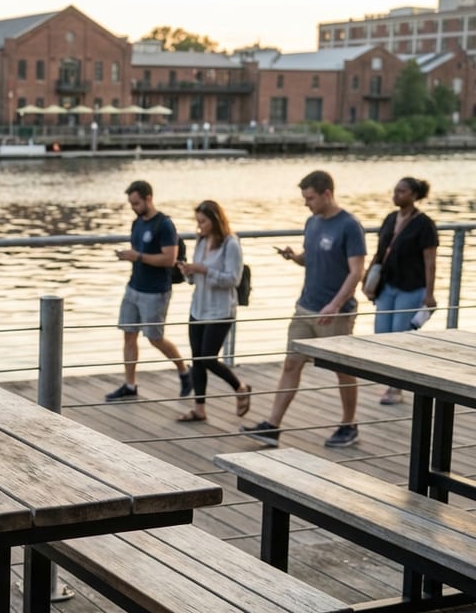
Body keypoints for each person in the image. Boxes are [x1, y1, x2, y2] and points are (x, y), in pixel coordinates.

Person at [241, 170, 366, 448]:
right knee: (291, 363)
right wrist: (294, 257)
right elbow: (311, 258)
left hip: (336, 312)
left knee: (342, 369)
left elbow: (356, 271)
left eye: (309, 198)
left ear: (326, 194)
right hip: (305, 307)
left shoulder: (349, 226)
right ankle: (272, 426)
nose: (305, 203)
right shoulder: (311, 222)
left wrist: (335, 305)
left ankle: (349, 425)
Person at [105, 180, 192, 402]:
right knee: (128, 334)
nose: (133, 207)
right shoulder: (137, 223)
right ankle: (130, 384)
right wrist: (128, 255)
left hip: (155, 291)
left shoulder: (164, 225)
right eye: (131, 204)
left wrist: (139, 257)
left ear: (148, 199)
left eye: (136, 203)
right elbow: (137, 251)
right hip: (134, 286)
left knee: (155, 338)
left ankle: (184, 370)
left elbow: (170, 259)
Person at [363, 177, 438, 405]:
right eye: (395, 191)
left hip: (411, 287)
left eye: (402, 191)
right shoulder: (389, 218)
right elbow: (379, 251)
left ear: (414, 195)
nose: (396, 195)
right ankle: (391, 380)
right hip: (387, 285)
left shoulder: (424, 224)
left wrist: (429, 293)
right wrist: (368, 276)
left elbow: (430, 261)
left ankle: (396, 388)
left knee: (400, 336)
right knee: (382, 334)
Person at [174, 200, 251, 422]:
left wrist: (204, 270)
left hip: (220, 310)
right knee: (197, 359)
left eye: (203, 221)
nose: (200, 226)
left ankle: (241, 387)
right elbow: (194, 279)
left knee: (208, 358)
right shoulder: (201, 240)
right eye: (198, 222)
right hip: (198, 307)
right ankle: (199, 408)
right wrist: (188, 271)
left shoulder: (231, 244)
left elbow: (233, 279)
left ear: (215, 220)